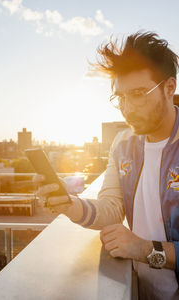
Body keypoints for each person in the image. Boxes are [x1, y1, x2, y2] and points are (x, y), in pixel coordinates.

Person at [35, 31, 179, 299]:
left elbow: (142, 248)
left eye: (137, 94)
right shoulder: (124, 144)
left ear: (169, 87)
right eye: (120, 97)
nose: (127, 108)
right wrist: (69, 204)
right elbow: (112, 209)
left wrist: (145, 250)